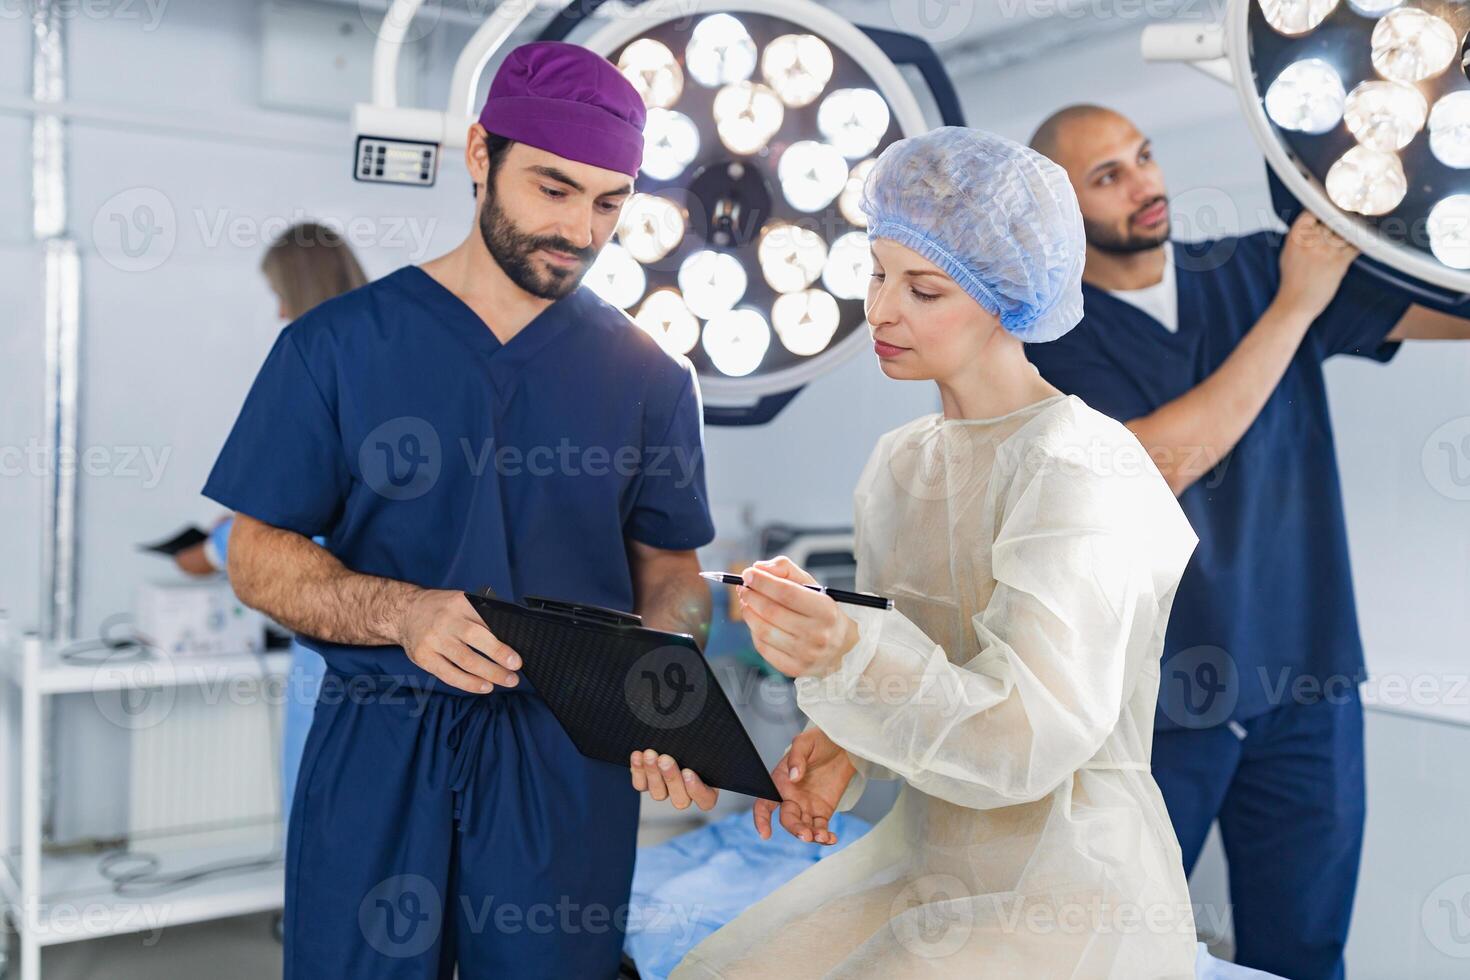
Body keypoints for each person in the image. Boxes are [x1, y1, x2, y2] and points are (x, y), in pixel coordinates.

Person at [635, 127, 1203, 978]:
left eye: (924, 289)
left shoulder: (1080, 466)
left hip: (1065, 884)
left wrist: (845, 651)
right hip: (926, 857)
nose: (880, 311)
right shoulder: (901, 464)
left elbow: (1023, 740)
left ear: (1008, 296)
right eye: (877, 274)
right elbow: (925, 674)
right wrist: (842, 746)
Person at [203, 42, 714, 979]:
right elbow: (256, 552)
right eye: (554, 189)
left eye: (609, 203)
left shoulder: (650, 378)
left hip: (564, 765)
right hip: (377, 749)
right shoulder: (337, 347)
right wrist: (405, 614)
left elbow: (672, 574)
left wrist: (664, 686)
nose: (580, 230)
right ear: (480, 154)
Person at [1025, 104, 1470, 980]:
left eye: (1144, 156)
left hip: (1307, 683)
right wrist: (1296, 308)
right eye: (1108, 176)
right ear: (1060, 214)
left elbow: (1451, 311)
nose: (1145, 183)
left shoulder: (1255, 267)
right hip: (1152, 711)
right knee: (1111, 953)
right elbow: (1154, 465)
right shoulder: (1051, 340)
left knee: (1304, 952)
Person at [175, 222, 367, 817]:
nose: (281, 311)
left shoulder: (312, 363)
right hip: (387, 636)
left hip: (335, 639)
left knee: (316, 806)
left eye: (282, 294)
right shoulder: (392, 357)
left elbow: (296, 518)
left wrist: (221, 545)